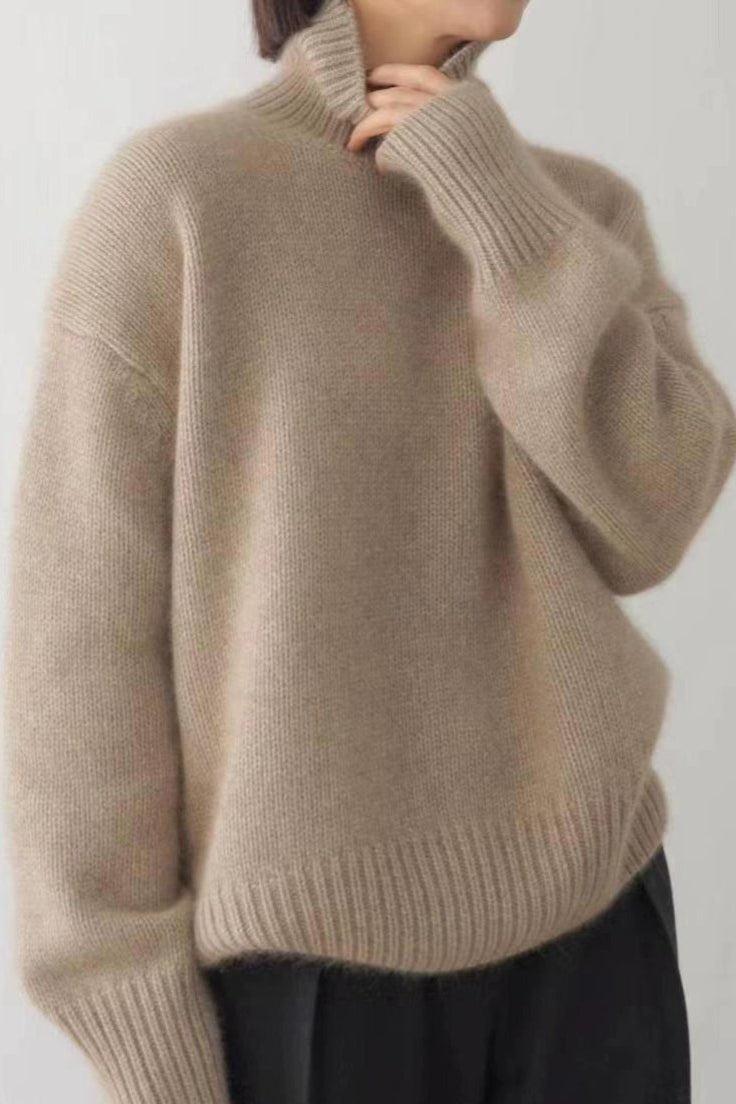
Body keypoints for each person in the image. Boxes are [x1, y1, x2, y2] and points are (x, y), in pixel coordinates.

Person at [3, 0, 734, 1100]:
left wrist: (500, 209)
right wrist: (135, 1021)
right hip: (306, 988)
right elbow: (79, 650)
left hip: (595, 945)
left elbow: (656, 510)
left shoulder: (570, 211)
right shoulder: (180, 200)